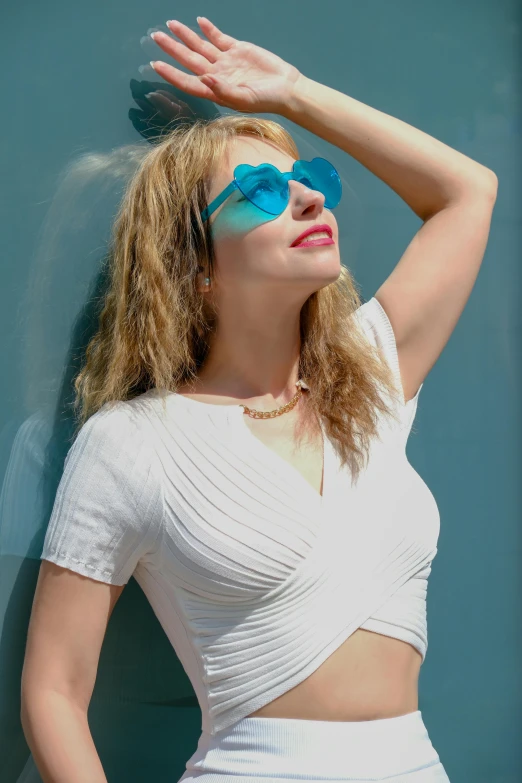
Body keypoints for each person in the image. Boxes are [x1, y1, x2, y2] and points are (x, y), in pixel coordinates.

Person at [20, 15, 497, 783]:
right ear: (195, 262)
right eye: (262, 191)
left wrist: (294, 95)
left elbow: (468, 192)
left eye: (313, 181)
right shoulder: (129, 442)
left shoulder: (371, 378)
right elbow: (52, 690)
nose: (309, 198)